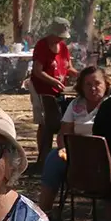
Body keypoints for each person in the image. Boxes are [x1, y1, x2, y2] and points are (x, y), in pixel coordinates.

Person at [37, 65, 109, 211]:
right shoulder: (76, 104)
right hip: (76, 156)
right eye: (88, 84)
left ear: (106, 84)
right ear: (81, 87)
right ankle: (43, 211)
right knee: (53, 157)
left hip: (103, 158)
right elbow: (64, 132)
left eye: (97, 83)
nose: (93, 88)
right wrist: (63, 148)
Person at [30, 18, 73, 166]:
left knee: (58, 120)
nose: (60, 39)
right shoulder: (42, 46)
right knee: (44, 122)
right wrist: (53, 81)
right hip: (41, 90)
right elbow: (37, 71)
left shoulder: (64, 48)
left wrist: (82, 74)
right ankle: (42, 156)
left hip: (58, 91)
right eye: (59, 35)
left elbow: (69, 68)